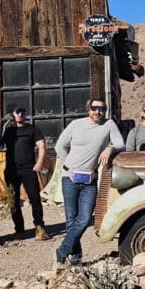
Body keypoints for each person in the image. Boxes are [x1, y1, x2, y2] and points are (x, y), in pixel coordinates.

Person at [53, 98, 125, 266]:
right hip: (69, 178)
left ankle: (62, 250)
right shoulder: (75, 125)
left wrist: (110, 147)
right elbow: (59, 146)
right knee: (71, 219)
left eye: (101, 109)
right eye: (94, 108)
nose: (98, 112)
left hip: (90, 180)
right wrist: (68, 166)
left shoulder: (108, 125)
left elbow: (121, 143)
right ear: (88, 109)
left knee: (85, 219)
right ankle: (76, 257)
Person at [0, 107, 49, 240]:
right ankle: (19, 229)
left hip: (28, 168)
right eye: (17, 112)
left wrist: (39, 163)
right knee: (13, 200)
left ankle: (39, 227)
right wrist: (0, 129)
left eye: (23, 111)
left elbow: (42, 146)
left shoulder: (32, 128)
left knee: (35, 198)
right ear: (12, 114)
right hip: (11, 169)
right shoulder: (8, 130)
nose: (21, 114)